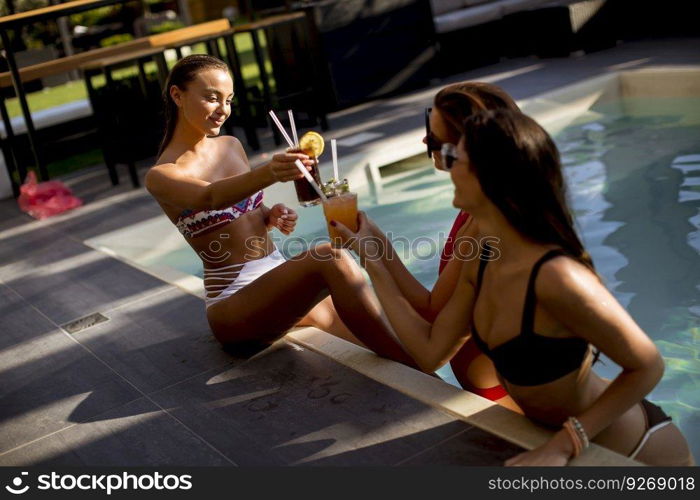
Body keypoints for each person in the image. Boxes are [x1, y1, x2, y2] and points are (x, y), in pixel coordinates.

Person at [333, 109, 693, 465]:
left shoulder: (556, 277)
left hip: (638, 454)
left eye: (456, 157)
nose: (447, 164)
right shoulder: (484, 256)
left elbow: (648, 367)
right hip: (559, 444)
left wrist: (566, 443)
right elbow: (430, 352)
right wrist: (372, 259)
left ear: (492, 177)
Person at [144, 54, 417, 366]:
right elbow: (210, 198)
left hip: (275, 278)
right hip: (234, 302)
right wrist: (270, 172)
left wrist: (268, 215)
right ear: (177, 95)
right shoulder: (161, 176)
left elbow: (240, 212)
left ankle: (424, 375)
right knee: (332, 257)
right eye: (211, 98)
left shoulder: (231, 146)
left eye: (229, 100)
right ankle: (418, 368)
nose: (223, 110)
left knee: (378, 340)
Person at [363, 82, 521, 411]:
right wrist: (373, 239)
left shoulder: (487, 228)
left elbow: (433, 338)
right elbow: (435, 308)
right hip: (491, 393)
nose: (424, 141)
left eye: (433, 138)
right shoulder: (477, 210)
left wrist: (372, 260)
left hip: (503, 401)